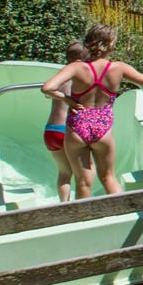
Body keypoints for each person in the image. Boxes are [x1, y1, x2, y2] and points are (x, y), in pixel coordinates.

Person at [39, 25, 143, 197]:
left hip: (78, 126)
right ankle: (122, 216)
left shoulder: (76, 68)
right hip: (103, 128)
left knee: (83, 182)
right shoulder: (118, 68)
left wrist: (67, 100)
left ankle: (84, 220)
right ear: (110, 44)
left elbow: (47, 88)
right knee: (108, 178)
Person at [42, 41, 95, 201]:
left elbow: (47, 93)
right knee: (86, 170)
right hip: (70, 130)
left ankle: (63, 204)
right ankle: (82, 205)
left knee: (65, 172)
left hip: (51, 131)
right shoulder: (81, 77)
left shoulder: (61, 77)